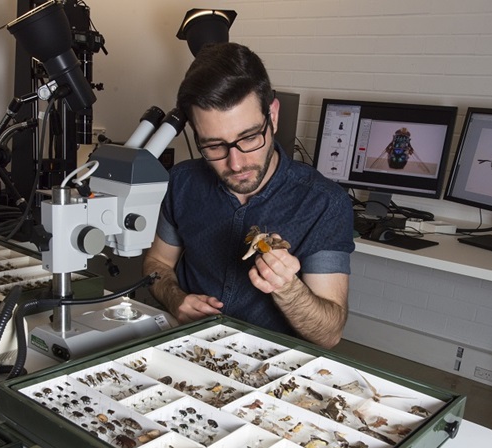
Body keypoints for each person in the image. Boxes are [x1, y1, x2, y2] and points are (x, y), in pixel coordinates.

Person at [142, 42, 354, 349]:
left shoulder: (324, 204)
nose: (236, 163)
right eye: (214, 146)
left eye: (250, 137)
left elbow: (328, 334)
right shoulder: (182, 182)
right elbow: (158, 262)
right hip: (188, 349)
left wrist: (288, 288)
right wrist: (176, 299)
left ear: (274, 116)